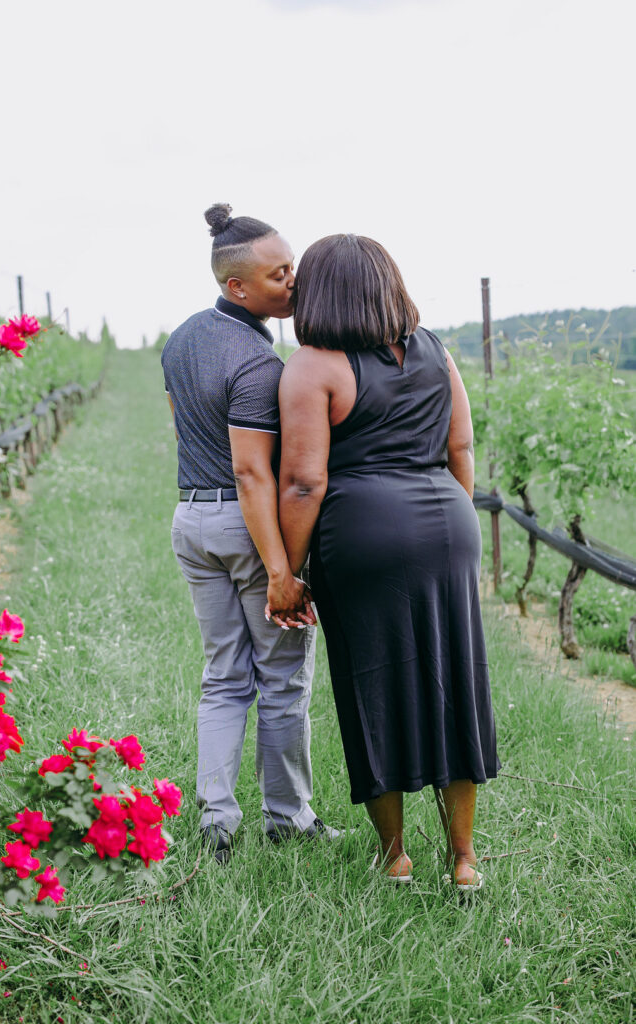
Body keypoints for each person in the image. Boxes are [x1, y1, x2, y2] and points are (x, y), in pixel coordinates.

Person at [273, 233, 499, 888]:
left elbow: (304, 482)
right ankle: (463, 860)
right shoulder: (436, 351)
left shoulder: (313, 365)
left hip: (363, 531)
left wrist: (287, 572)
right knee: (455, 681)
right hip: (447, 523)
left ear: (319, 293)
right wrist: (452, 532)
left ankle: (395, 855)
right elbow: (460, 449)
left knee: (372, 684)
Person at [162, 204, 338, 863]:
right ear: (237, 286)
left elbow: (186, 432)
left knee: (222, 674)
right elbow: (250, 471)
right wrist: (279, 571)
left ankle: (215, 819)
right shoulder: (259, 364)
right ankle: (288, 818)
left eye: (291, 268)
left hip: (190, 522)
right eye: (277, 274)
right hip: (244, 524)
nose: (291, 282)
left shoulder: (180, 339)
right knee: (283, 677)